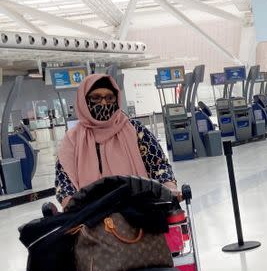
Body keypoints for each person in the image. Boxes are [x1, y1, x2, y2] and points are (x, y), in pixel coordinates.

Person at [55, 74, 178, 207]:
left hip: (138, 208)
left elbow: (158, 163)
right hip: (91, 214)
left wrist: (169, 186)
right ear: (84, 101)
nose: (104, 103)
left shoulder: (135, 130)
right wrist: (71, 203)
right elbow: (64, 179)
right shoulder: (72, 139)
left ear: (117, 99)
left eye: (109, 97)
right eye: (95, 98)